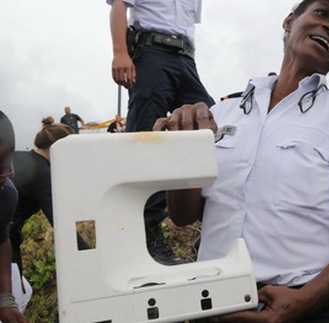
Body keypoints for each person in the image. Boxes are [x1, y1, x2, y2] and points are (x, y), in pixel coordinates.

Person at [155, 0, 329, 321]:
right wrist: (181, 149)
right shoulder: (223, 112)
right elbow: (184, 214)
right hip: (214, 305)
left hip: (308, 308)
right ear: (289, 21)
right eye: (323, 13)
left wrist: (307, 300)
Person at [107, 0, 215, 265]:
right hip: (152, 52)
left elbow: (186, 26)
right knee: (147, 140)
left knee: (210, 130)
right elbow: (119, 6)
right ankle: (148, 230)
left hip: (186, 59)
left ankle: (213, 228)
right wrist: (120, 52)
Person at [9, 117, 90, 276]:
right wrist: (89, 255)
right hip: (4, 237)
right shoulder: (43, 174)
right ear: (60, 149)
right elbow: (61, 224)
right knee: (12, 293)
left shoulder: (17, 156)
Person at [0, 110, 29, 323]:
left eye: (5, 166)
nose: (4, 176)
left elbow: (1, 240)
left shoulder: (6, 195)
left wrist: (6, 299)